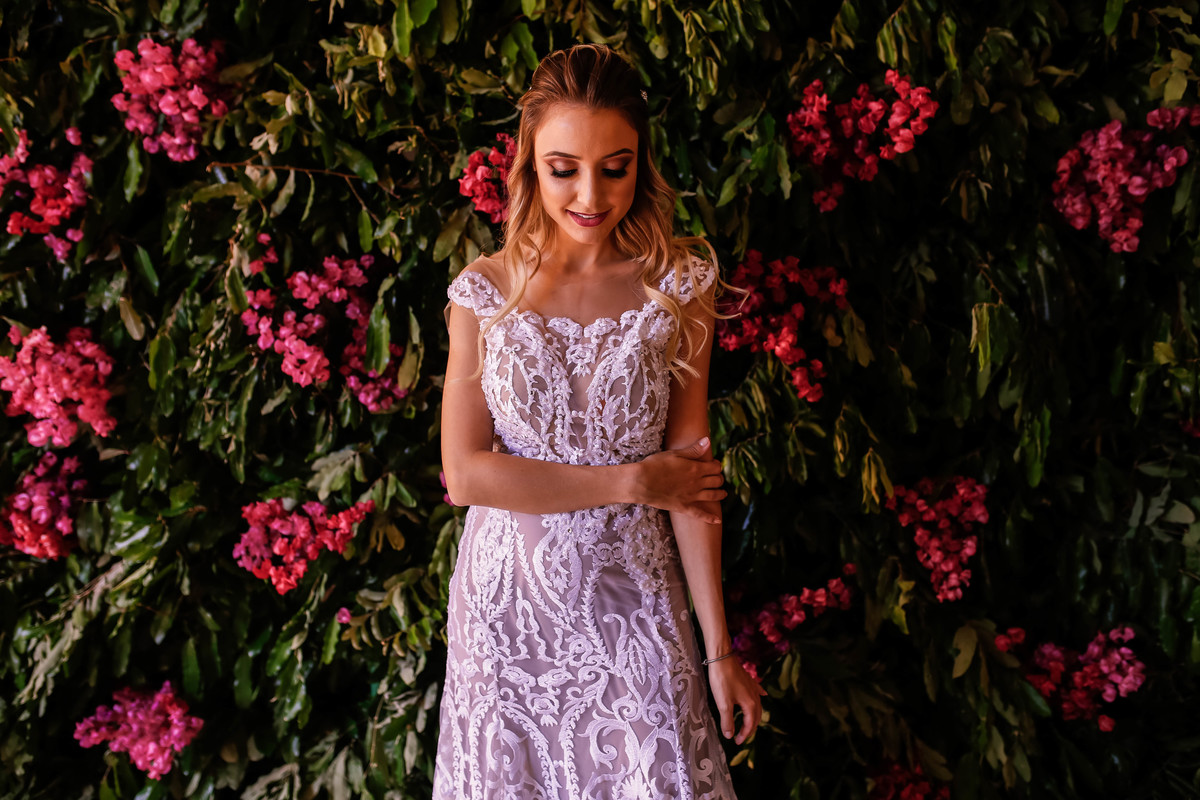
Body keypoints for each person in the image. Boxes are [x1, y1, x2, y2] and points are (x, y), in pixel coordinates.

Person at [435, 43, 763, 800]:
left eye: (614, 167)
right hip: (506, 616)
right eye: (564, 169)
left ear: (641, 163)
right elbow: (467, 474)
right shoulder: (484, 294)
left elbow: (691, 476)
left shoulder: (680, 285)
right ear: (529, 164)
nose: (590, 193)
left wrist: (719, 652)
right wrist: (630, 480)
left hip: (633, 603)